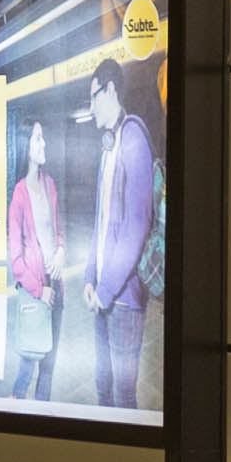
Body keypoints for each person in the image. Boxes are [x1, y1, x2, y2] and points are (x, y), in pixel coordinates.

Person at [73, 72, 159, 419]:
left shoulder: (134, 137)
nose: (91, 107)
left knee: (123, 396)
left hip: (123, 298)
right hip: (104, 293)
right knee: (102, 385)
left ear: (110, 90)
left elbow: (136, 226)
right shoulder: (109, 144)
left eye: (93, 97)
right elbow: (102, 220)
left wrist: (105, 290)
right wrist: (90, 278)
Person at [6, 132, 69, 400]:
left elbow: (59, 231)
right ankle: (15, 404)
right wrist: (38, 290)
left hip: (56, 287)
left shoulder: (51, 185)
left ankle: (41, 417)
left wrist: (62, 251)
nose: (44, 144)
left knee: (49, 366)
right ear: (26, 148)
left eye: (44, 138)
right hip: (36, 291)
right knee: (28, 363)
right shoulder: (19, 195)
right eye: (38, 139)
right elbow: (16, 261)